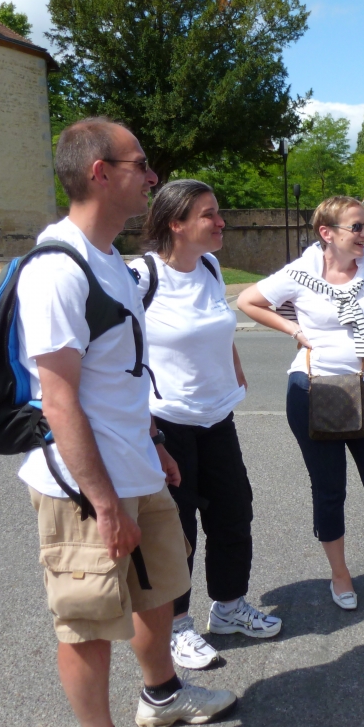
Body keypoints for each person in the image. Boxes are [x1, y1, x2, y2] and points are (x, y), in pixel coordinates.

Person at [15, 118, 235, 727]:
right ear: (99, 173)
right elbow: (58, 400)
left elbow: (121, 377)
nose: (152, 176)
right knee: (88, 618)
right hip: (84, 485)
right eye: (140, 164)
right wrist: (105, 503)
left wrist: (154, 442)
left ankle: (162, 695)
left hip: (136, 462)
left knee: (158, 589)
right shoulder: (58, 269)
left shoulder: (111, 261)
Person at [236, 196, 364, 611]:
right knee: (329, 490)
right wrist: (293, 330)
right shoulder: (300, 273)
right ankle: (340, 575)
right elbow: (248, 301)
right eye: (356, 227)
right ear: (327, 233)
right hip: (312, 389)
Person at [128, 179, 282, 673]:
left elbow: (216, 324)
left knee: (234, 513)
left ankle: (229, 606)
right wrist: (145, 427)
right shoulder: (141, 277)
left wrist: (231, 363)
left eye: (218, 212)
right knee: (176, 529)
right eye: (208, 215)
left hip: (218, 416)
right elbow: (116, 353)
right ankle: (176, 626)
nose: (221, 222)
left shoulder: (211, 267)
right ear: (176, 223)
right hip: (167, 423)